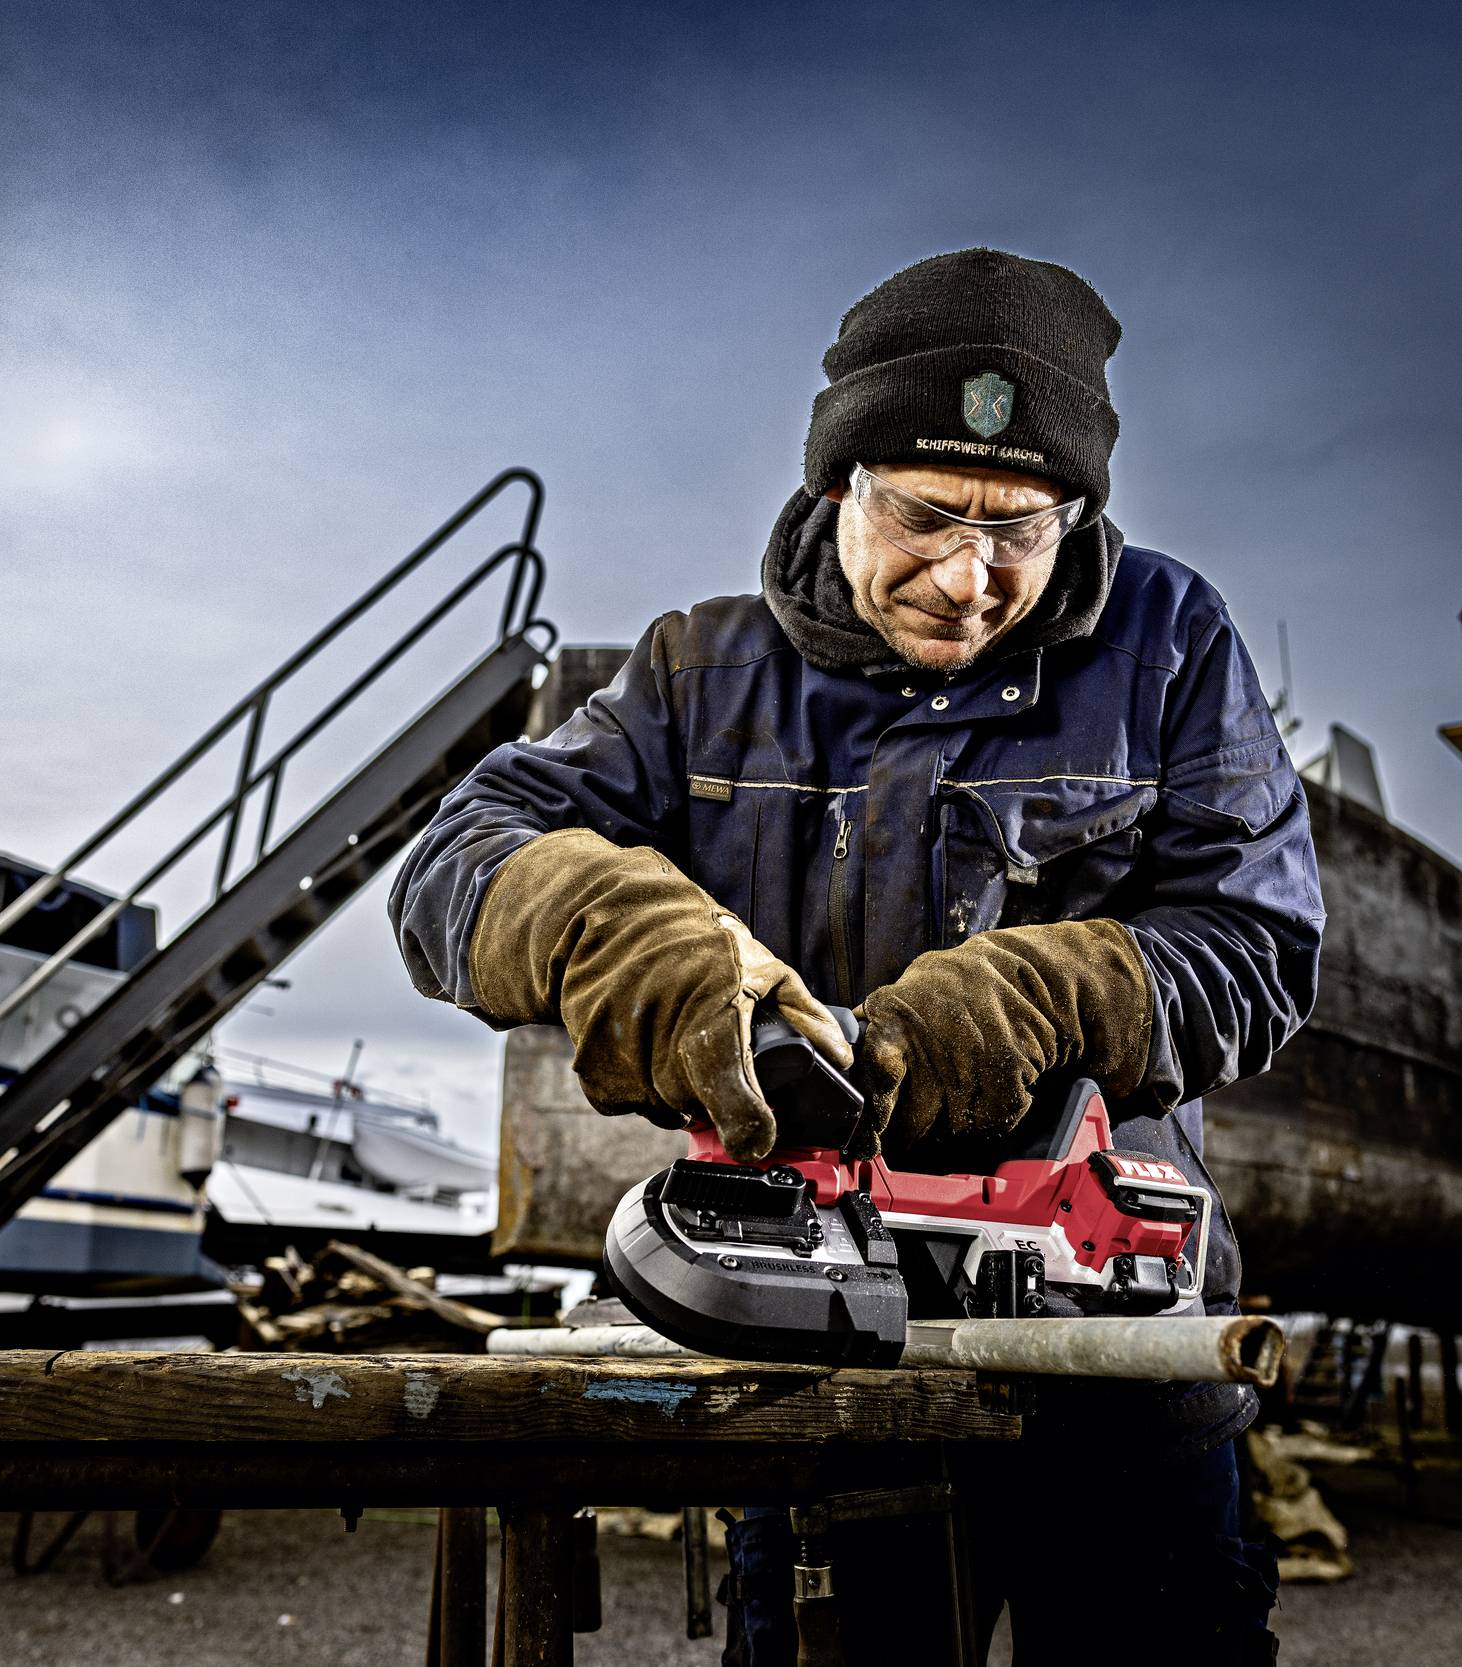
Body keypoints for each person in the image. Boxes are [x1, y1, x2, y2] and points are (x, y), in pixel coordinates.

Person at [391, 247, 1323, 1663]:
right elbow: (451, 865)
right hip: (825, 1340)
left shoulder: (1171, 644)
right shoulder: (699, 675)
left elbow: (1258, 941)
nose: (970, 578)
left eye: (1024, 528)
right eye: (930, 516)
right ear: (837, 485)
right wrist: (611, 929)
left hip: (1118, 1343)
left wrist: (1045, 991)